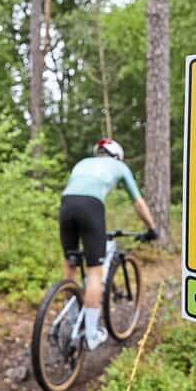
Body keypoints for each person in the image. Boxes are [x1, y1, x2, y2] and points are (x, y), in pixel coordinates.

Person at [59, 138, 157, 351]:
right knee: (95, 272)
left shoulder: (82, 163)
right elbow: (138, 202)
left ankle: (72, 319)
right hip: (91, 207)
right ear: (117, 156)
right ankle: (91, 335)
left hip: (66, 205)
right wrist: (151, 227)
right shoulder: (120, 166)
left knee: (70, 263)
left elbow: (77, 189)